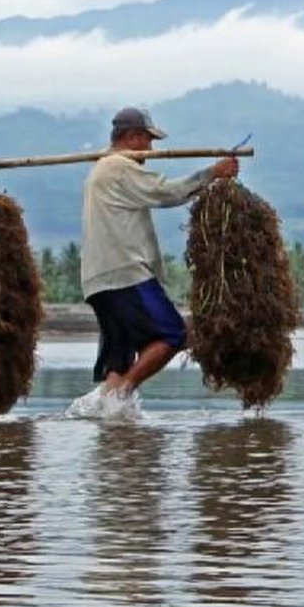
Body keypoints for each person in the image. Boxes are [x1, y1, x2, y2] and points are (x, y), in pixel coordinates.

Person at [68, 106, 239, 418]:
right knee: (174, 334)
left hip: (98, 280)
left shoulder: (101, 170)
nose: (150, 149)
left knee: (118, 357)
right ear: (133, 137)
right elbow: (166, 192)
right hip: (124, 274)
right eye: (148, 141)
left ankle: (112, 422)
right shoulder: (118, 167)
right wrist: (212, 174)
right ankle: (122, 393)